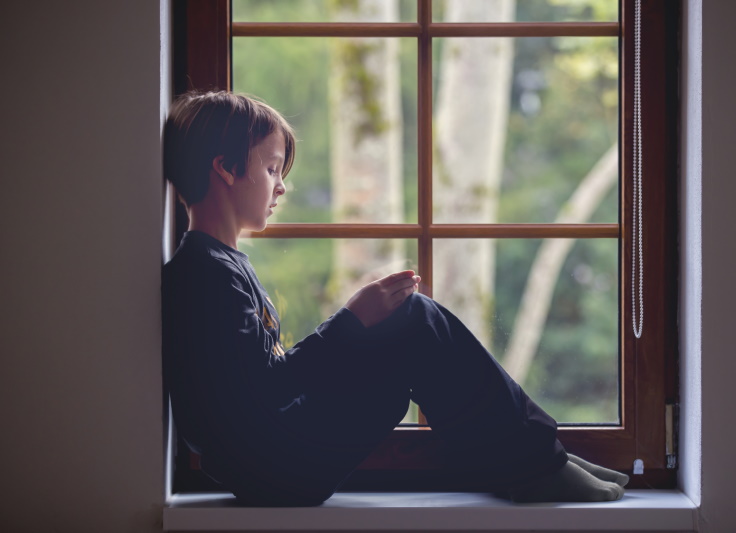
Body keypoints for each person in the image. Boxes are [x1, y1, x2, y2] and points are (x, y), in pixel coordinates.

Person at [162, 90, 628, 506]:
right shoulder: (203, 274)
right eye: (270, 168)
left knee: (408, 318)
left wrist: (358, 325)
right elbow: (263, 393)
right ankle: (536, 467)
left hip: (273, 459)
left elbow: (261, 387)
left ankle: (533, 464)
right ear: (224, 168)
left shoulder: (220, 263)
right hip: (274, 469)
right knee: (413, 319)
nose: (281, 186)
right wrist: (349, 322)